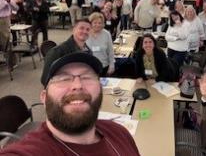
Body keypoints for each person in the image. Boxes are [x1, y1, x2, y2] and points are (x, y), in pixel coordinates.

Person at [0, 52, 140, 155]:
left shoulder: (120, 133)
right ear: (44, 97)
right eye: (63, 78)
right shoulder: (30, 152)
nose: (77, 85)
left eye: (86, 77)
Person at [41, 18, 92, 84]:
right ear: (73, 30)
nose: (85, 31)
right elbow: (45, 79)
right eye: (81, 28)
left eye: (88, 29)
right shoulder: (57, 52)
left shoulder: (89, 52)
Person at [86, 12, 115, 77]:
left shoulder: (106, 34)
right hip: (89, 68)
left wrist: (112, 65)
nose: (97, 25)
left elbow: (110, 51)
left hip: (104, 66)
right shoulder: (86, 34)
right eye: (95, 23)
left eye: (100, 23)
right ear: (91, 23)